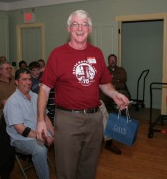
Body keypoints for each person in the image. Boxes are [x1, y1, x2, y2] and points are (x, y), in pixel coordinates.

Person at [36, 10, 130, 179]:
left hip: (94, 119)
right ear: (68, 28)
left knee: (89, 168)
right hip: (67, 119)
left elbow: (104, 83)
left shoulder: (97, 53)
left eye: (84, 24)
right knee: (66, 170)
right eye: (75, 24)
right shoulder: (57, 54)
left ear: (90, 29)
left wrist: (115, 94)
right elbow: (44, 89)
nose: (80, 28)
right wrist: (41, 120)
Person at [4, 68, 54, 179]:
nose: (28, 82)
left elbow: (45, 117)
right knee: (40, 149)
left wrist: (54, 133)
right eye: (24, 79)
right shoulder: (13, 101)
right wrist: (43, 137)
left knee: (63, 139)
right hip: (21, 139)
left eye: (29, 79)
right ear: (16, 82)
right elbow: (20, 129)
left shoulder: (36, 96)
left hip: (38, 134)